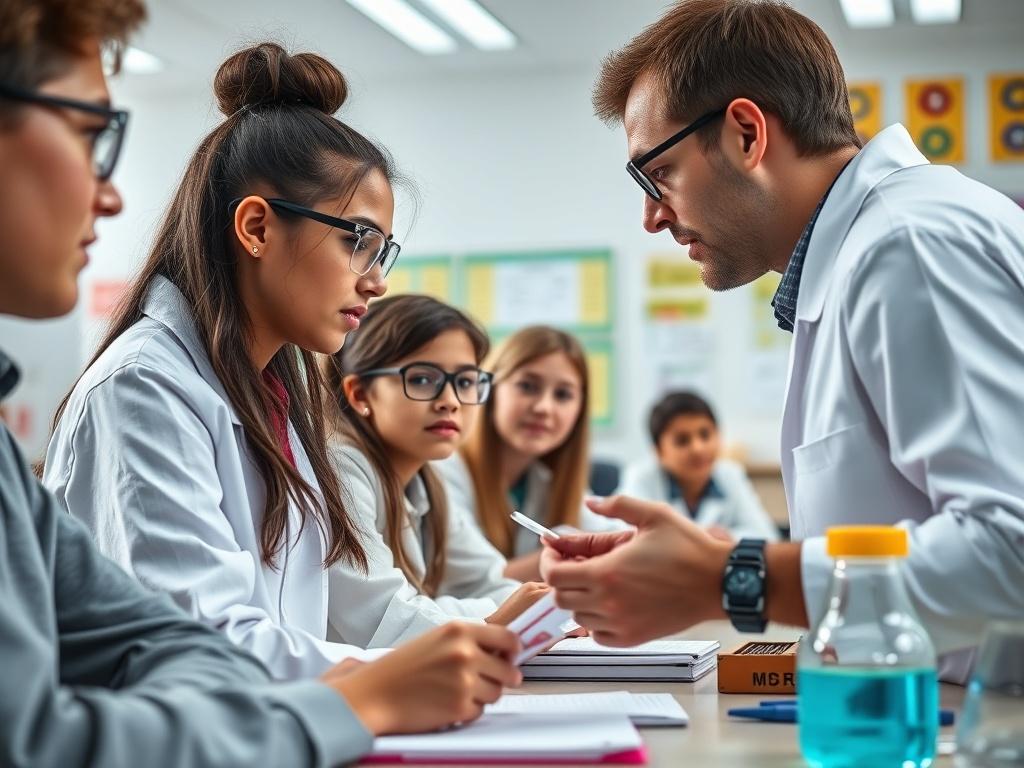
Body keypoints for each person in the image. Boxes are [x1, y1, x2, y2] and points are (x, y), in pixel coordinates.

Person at [0, 2, 520, 766]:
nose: (375, 281)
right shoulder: (145, 386)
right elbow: (186, 651)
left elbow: (177, 644)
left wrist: (360, 691)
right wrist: (363, 695)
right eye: (358, 243)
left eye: (384, 251)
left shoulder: (277, 395)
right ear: (255, 229)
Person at [542, 0, 1024, 683]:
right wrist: (698, 560)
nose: (651, 216)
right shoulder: (864, 252)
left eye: (657, 174)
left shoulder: (909, 245)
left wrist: (727, 578)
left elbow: (1012, 553)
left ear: (744, 133)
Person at [324, 293, 549, 647]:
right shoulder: (339, 470)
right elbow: (384, 621)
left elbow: (493, 583)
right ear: (360, 394)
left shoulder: (428, 482)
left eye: (465, 382)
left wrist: (525, 609)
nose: (451, 401)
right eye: (423, 379)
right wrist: (495, 618)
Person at [439, 325, 627, 581]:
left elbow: (613, 534)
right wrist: (572, 552)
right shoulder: (444, 471)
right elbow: (473, 583)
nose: (544, 407)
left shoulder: (545, 481)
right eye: (527, 386)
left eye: (563, 394)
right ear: (490, 390)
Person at [619, 390, 779, 542]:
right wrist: (705, 538)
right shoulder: (641, 478)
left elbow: (767, 536)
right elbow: (631, 537)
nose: (698, 448)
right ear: (659, 451)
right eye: (682, 440)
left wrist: (729, 536)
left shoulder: (730, 474)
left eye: (705, 435)